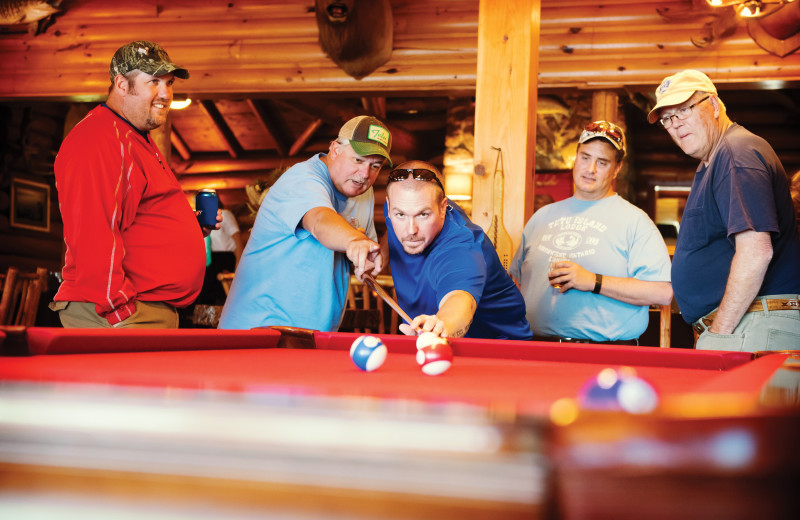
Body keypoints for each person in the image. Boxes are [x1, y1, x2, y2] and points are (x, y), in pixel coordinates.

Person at [50, 40, 219, 329]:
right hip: (120, 313)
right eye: (153, 81)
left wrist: (192, 226)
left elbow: (133, 216)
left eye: (169, 82)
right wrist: (119, 313)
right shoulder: (100, 139)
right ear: (122, 84)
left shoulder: (134, 138)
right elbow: (92, 232)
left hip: (143, 310)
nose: (165, 93)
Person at [648, 69, 800, 351]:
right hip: (745, 325)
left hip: (752, 324)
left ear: (714, 105)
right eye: (668, 119)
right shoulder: (714, 159)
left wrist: (719, 334)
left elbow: (756, 252)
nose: (676, 124)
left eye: (684, 110)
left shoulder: (734, 152)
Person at [218, 116, 392, 330]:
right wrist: (355, 240)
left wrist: (367, 257)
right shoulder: (302, 179)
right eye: (358, 160)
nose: (365, 174)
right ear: (335, 149)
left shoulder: (363, 192)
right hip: (259, 332)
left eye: (375, 166)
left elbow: (362, 254)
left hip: (312, 335)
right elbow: (319, 221)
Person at [510, 121, 672, 344]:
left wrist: (593, 281)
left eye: (602, 162)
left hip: (605, 355)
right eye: (585, 157)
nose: (590, 169)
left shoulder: (635, 221)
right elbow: (515, 283)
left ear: (617, 168)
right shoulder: (542, 217)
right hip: (537, 349)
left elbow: (662, 293)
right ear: (575, 158)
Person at [383, 160, 532, 340]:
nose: (410, 230)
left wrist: (441, 326)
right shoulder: (403, 203)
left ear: (443, 207)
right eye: (400, 215)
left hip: (499, 352)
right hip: (432, 344)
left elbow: (461, 301)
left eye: (423, 215)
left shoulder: (461, 247)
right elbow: (393, 225)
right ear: (390, 207)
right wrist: (381, 253)